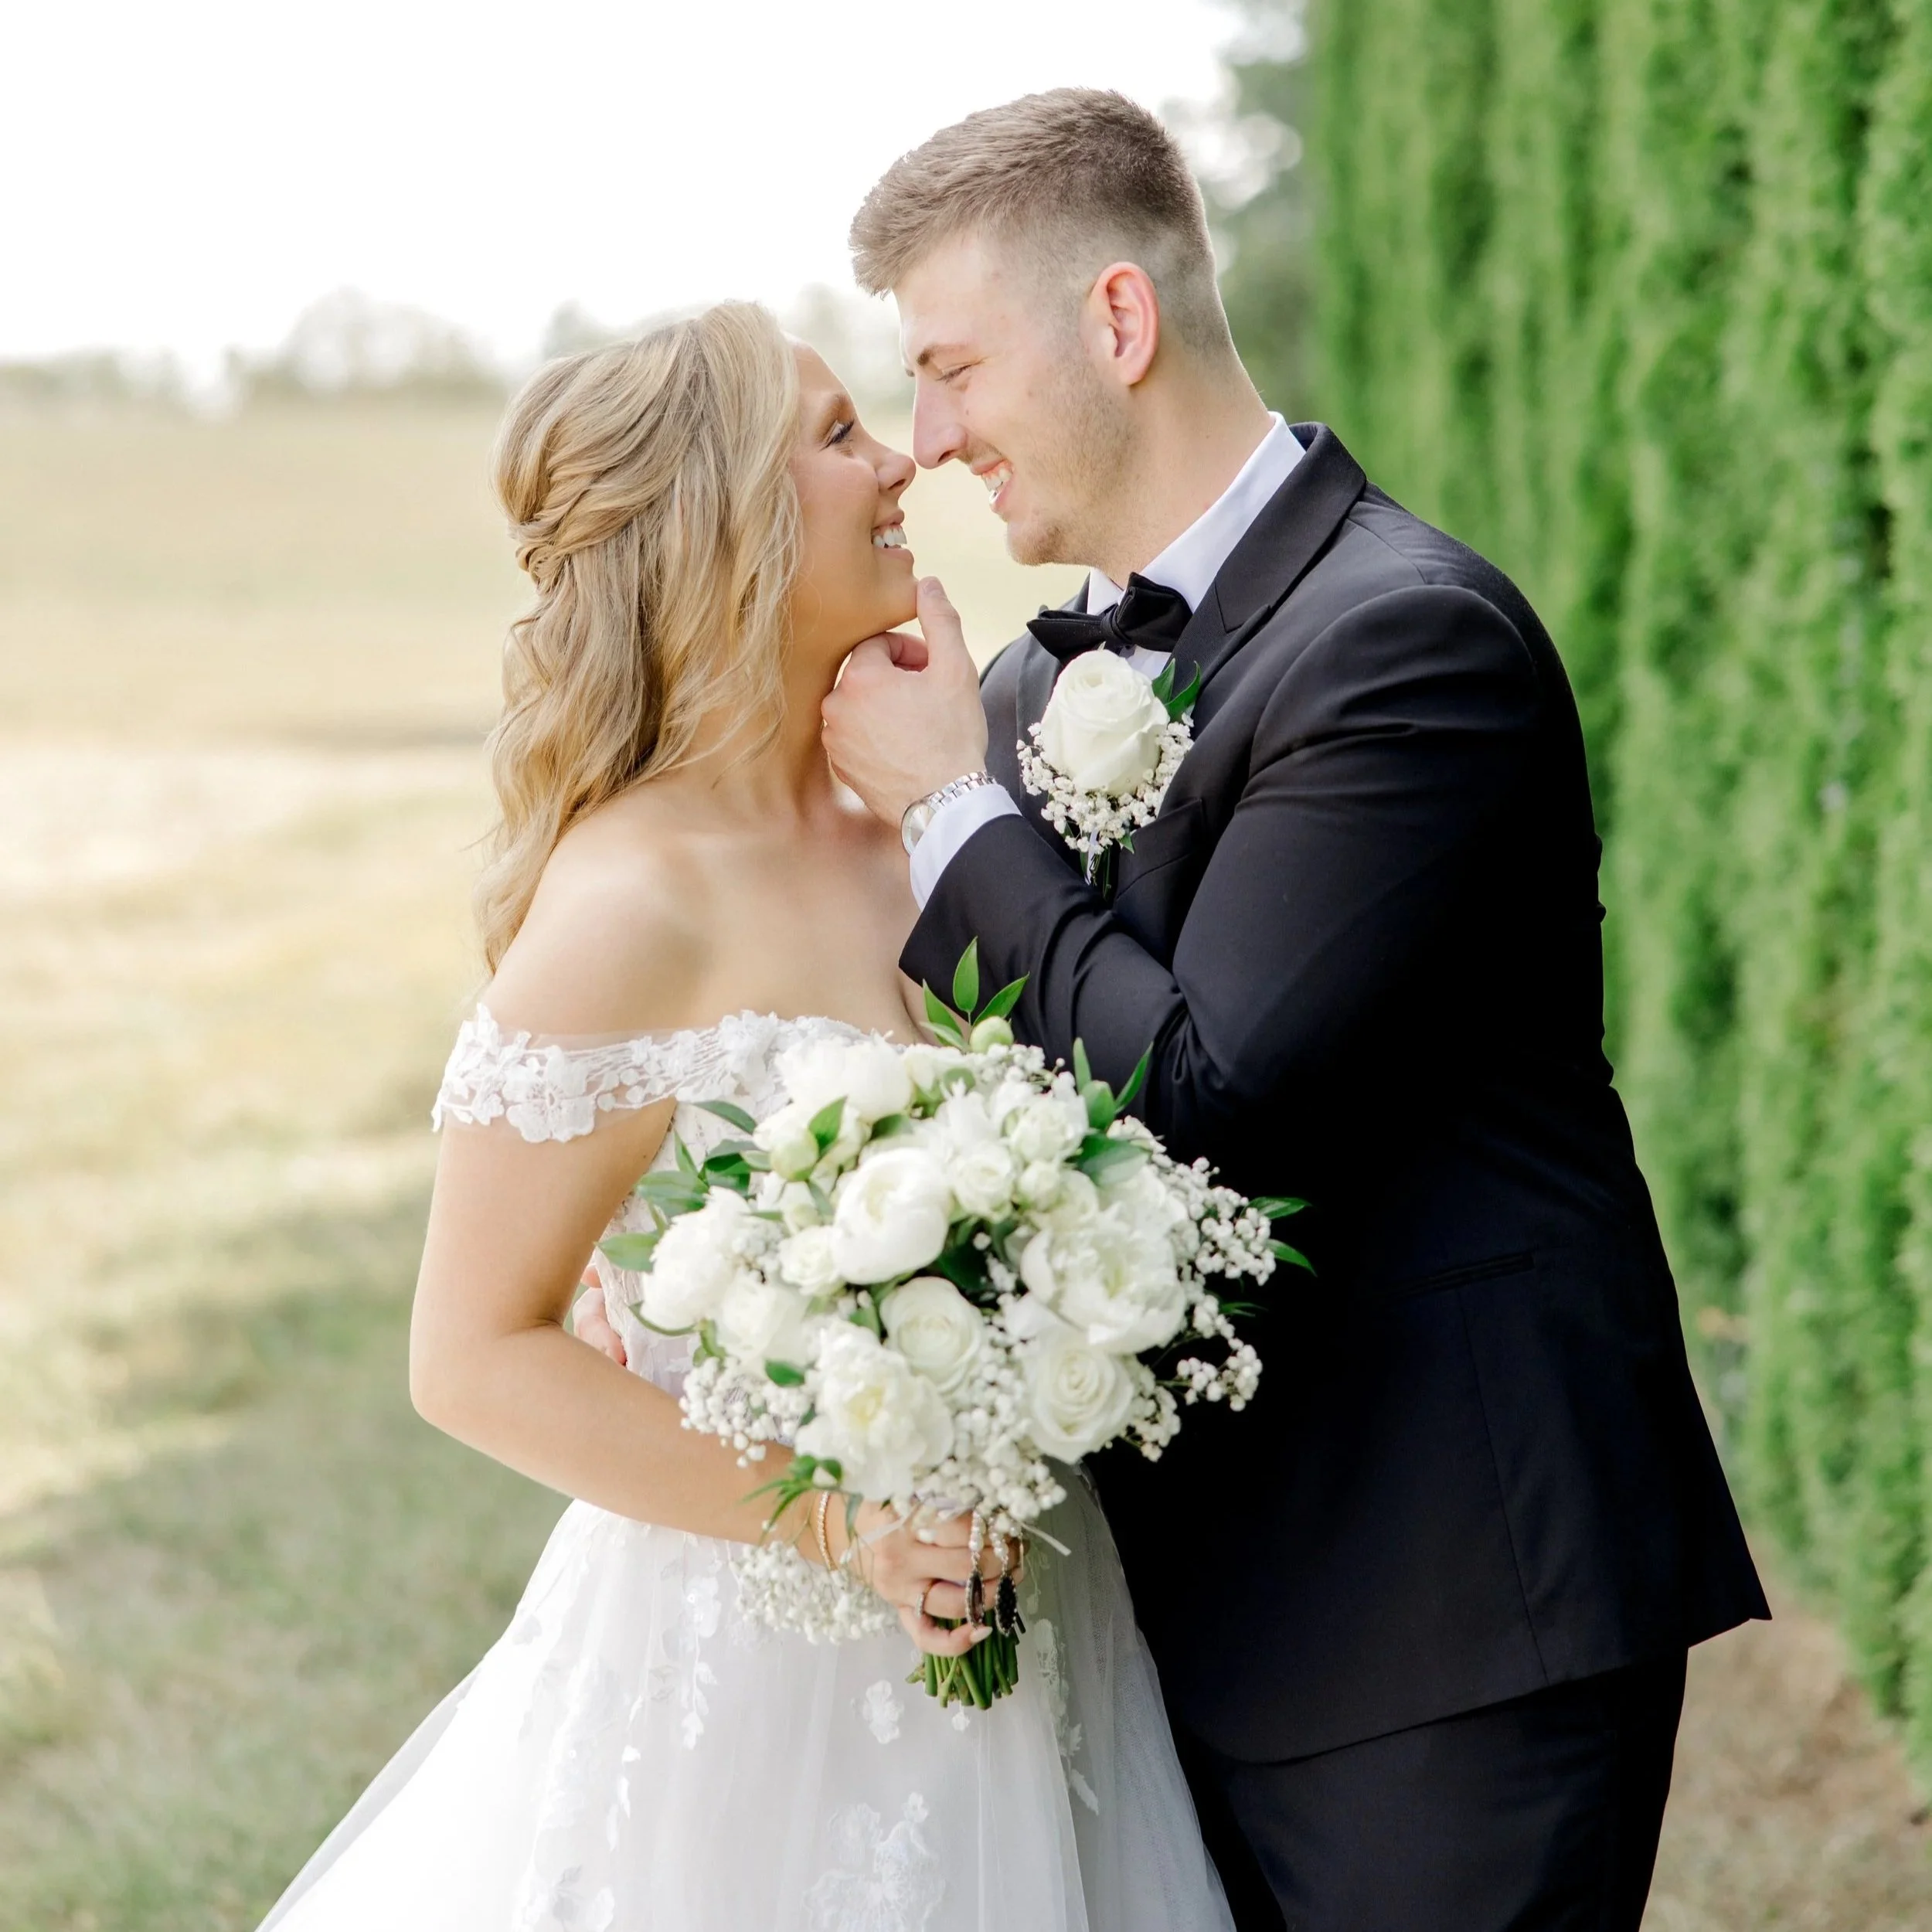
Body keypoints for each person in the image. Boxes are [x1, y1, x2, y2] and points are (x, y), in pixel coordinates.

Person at [816, 89, 1770, 1932]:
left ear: (1115, 320)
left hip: (1443, 1612)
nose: (927, 443)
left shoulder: (1405, 643)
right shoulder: (1024, 684)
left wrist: (950, 809)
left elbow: (1203, 1089)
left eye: (949, 368)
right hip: (1168, 1614)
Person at [256, 303, 1233, 1932]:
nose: (902, 459)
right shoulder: (636, 899)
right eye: (840, 436)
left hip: (1041, 1600)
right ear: (724, 517)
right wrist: (849, 1521)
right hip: (760, 1667)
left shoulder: (935, 801)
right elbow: (472, 1352)